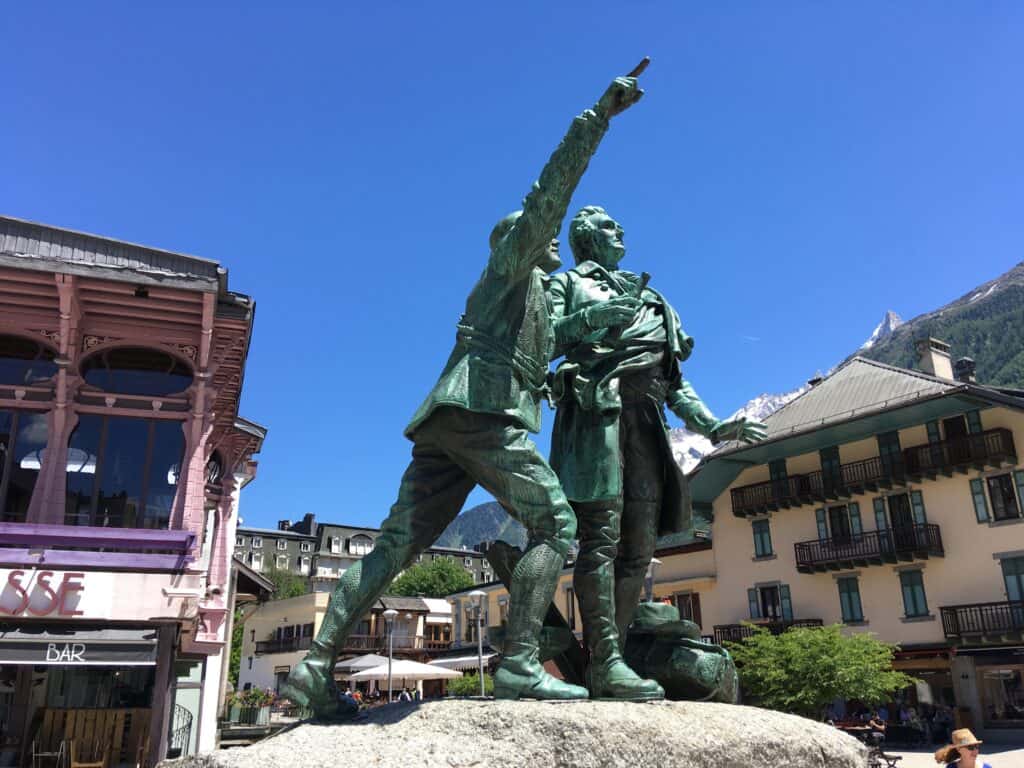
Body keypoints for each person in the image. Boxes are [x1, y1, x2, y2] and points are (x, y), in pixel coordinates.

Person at [281, 68, 646, 719]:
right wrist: (597, 118)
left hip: (451, 423)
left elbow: (559, 335)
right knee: (556, 523)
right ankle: (521, 664)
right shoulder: (510, 269)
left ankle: (313, 667)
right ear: (518, 241)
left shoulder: (530, 299)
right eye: (541, 235)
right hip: (482, 415)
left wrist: (609, 314)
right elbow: (550, 191)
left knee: (397, 544)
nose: (553, 240)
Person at [547, 206, 765, 699]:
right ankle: (603, 659)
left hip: (647, 424)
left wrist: (714, 425)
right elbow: (544, 340)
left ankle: (613, 658)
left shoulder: (653, 300)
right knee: (600, 539)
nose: (619, 230)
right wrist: (595, 317)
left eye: (618, 226)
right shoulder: (567, 285)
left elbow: (673, 385)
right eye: (607, 226)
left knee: (639, 548)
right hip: (597, 417)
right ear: (585, 240)